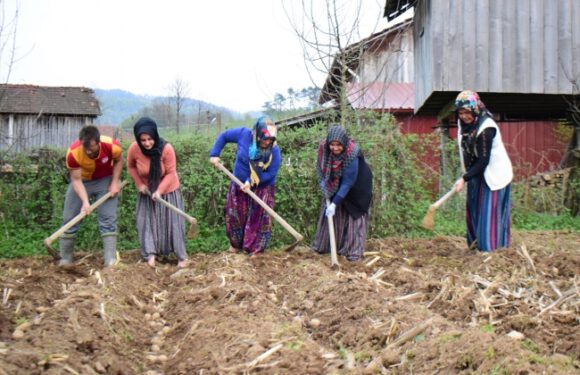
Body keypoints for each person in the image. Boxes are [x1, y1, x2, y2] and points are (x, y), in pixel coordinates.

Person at [209, 116, 281, 256]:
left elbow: (271, 173)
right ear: (257, 134)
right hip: (238, 183)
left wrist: (251, 181)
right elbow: (224, 136)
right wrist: (214, 154)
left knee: (258, 219)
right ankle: (235, 246)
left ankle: (255, 250)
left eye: (271, 139)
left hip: (262, 188)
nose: (267, 142)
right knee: (236, 215)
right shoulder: (244, 134)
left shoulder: (274, 150)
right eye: (265, 138)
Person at [453, 90, 513, 251]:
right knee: (474, 207)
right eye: (461, 112)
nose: (464, 116)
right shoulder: (465, 124)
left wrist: (464, 178)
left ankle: (490, 252)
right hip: (477, 172)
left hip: (494, 174)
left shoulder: (486, 127)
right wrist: (467, 175)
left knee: (489, 213)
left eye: (467, 112)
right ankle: (474, 246)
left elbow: (483, 160)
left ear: (475, 109)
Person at [127, 117, 188, 268]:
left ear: (155, 135)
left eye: (150, 139)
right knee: (147, 223)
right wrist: (139, 184)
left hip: (168, 191)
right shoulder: (134, 149)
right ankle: (150, 255)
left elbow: (171, 173)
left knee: (173, 223)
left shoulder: (166, 149)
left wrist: (159, 190)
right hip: (146, 192)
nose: (147, 143)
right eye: (143, 140)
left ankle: (181, 258)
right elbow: (131, 166)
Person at [59, 125, 123, 267]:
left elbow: (119, 161)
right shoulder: (73, 153)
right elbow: (76, 180)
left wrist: (114, 182)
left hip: (105, 180)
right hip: (83, 182)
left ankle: (110, 261)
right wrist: (85, 202)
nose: (88, 151)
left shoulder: (112, 146)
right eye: (85, 148)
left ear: (98, 142)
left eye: (91, 148)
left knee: (108, 219)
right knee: (70, 218)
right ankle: (65, 259)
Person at [312, 125, 373, 262]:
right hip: (335, 182)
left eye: (338, 145)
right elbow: (320, 168)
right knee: (333, 214)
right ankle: (327, 247)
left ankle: (353, 253)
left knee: (353, 216)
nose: (335, 148)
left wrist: (334, 203)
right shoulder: (324, 149)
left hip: (358, 186)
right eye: (332, 144)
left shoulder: (352, 154)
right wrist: (324, 184)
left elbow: (348, 183)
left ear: (344, 143)